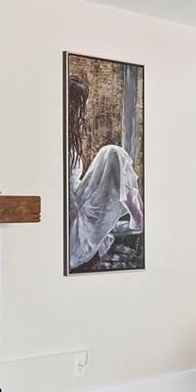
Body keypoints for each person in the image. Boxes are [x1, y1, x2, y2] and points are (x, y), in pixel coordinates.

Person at [65, 74, 144, 269]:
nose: (82, 114)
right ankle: (136, 215)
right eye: (81, 107)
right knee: (113, 153)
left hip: (75, 211)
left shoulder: (68, 144)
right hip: (74, 227)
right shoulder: (66, 146)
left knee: (111, 152)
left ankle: (134, 214)